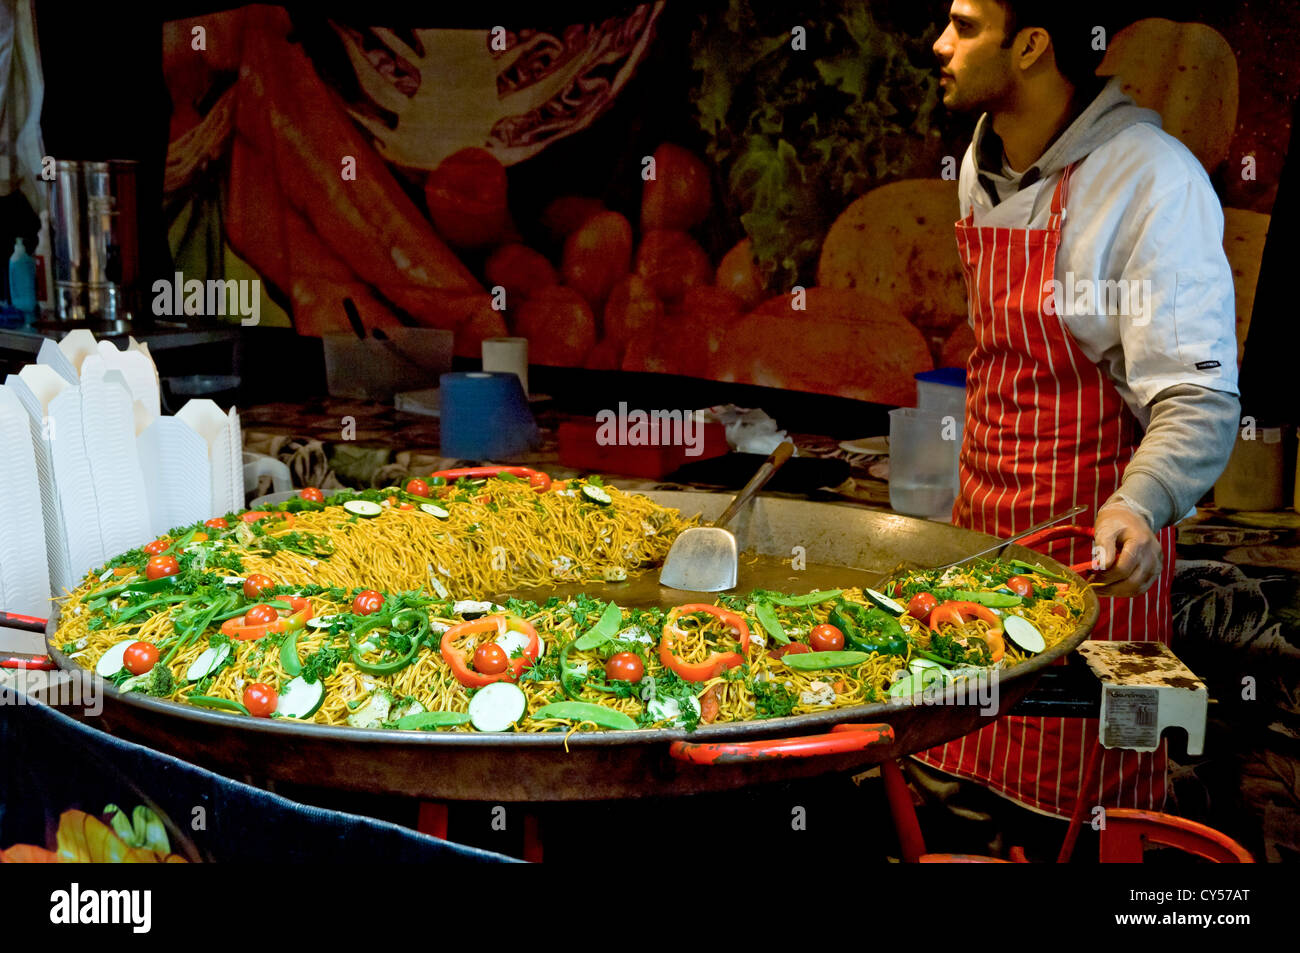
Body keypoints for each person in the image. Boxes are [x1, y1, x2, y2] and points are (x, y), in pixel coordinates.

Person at [913, 0, 1241, 855]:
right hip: (982, 553)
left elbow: (1198, 396)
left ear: (1030, 46)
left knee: (1088, 820)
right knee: (960, 800)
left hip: (1100, 564)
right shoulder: (978, 165)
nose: (939, 45)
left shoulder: (1152, 180)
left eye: (965, 25)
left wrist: (1144, 502)